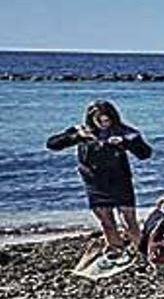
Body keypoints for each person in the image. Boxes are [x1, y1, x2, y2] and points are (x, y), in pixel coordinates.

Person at [47, 100, 153, 265]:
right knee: (106, 221)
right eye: (100, 120)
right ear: (91, 120)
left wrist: (126, 143)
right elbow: (52, 144)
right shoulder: (81, 131)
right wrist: (76, 137)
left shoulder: (125, 132)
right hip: (95, 183)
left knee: (128, 220)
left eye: (107, 120)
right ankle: (116, 249)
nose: (104, 124)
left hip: (120, 180)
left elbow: (145, 153)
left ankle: (144, 252)